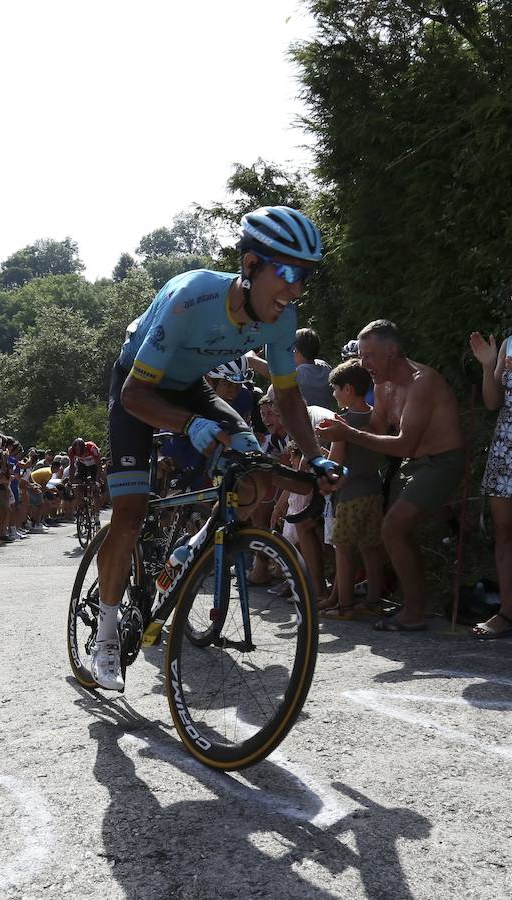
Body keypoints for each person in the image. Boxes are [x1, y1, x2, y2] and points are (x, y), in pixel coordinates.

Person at [94, 206, 341, 690]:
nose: (296, 290)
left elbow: (289, 397)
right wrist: (189, 425)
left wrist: (315, 457)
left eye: (305, 277)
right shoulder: (191, 297)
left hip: (191, 387)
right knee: (130, 513)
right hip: (138, 387)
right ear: (250, 265)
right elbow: (134, 396)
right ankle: (105, 634)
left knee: (254, 475)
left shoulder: (282, 317)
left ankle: (190, 548)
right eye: (288, 273)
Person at [317, 319, 464, 632]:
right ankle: (417, 603)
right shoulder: (381, 385)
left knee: (392, 528)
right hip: (413, 462)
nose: (362, 363)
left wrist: (348, 433)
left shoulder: (422, 383)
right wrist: (338, 442)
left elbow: (403, 443)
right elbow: (376, 429)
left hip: (442, 462)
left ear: (392, 351)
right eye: (361, 356)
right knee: (395, 530)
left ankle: (414, 612)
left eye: (369, 355)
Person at [322, 359, 384, 618]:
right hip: (374, 489)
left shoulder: (342, 422)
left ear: (348, 388)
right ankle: (373, 602)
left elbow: (335, 463)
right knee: (371, 548)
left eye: (336, 389)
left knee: (344, 550)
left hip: (349, 494)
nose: (334, 394)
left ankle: (344, 606)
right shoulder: (376, 415)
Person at [469, 331, 512, 639]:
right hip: (506, 446)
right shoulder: (509, 342)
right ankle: (508, 611)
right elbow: (493, 401)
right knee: (504, 531)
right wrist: (487, 365)